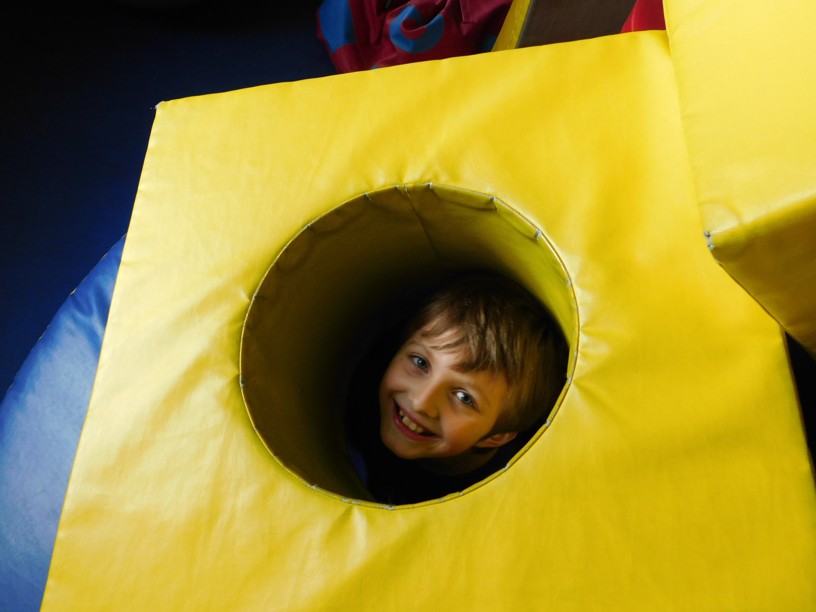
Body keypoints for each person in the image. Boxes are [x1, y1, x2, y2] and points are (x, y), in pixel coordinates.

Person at [345, 272, 567, 505]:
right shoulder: (364, 381)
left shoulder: (501, 497)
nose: (421, 402)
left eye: (464, 397)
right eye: (421, 362)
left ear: (497, 436)